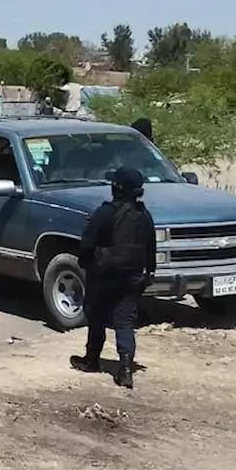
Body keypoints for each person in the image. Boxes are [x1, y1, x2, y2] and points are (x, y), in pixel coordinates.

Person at [69, 166, 156, 389]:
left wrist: (85, 263)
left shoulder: (105, 212)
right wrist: (150, 273)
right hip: (134, 276)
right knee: (124, 322)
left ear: (116, 187)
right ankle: (126, 369)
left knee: (96, 317)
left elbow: (87, 243)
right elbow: (151, 248)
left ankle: (92, 360)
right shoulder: (143, 214)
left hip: (104, 275)